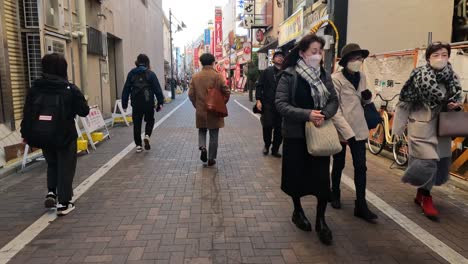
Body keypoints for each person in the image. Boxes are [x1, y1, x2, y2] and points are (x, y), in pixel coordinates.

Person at [275, 34, 339, 245]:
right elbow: (281, 105)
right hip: (295, 136)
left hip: (319, 135)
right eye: (314, 51)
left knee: (322, 180)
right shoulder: (289, 75)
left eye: (320, 52)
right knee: (296, 178)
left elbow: (333, 100)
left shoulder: (323, 75)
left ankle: (321, 220)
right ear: (302, 53)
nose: (318, 56)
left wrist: (324, 115)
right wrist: (308, 114)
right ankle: (298, 211)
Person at [393, 42, 463, 218]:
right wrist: (398, 128)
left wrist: (455, 105)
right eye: (436, 55)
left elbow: (457, 100)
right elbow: (404, 103)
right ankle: (426, 198)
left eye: (444, 55)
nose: (440, 58)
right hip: (421, 127)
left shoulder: (452, 78)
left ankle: (421, 193)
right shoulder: (418, 76)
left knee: (438, 163)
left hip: (442, 128)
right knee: (427, 162)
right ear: (428, 58)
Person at [21, 53, 89, 216]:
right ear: (63, 68)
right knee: (65, 167)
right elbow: (84, 111)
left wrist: (26, 134)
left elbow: (27, 113)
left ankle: (51, 192)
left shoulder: (35, 88)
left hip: (43, 134)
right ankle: (64, 203)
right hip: (65, 135)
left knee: (52, 164)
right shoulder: (69, 88)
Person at [329, 43, 378, 222]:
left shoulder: (362, 77)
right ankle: (335, 193)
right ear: (346, 61)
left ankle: (361, 204)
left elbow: (363, 103)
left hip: (359, 128)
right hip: (341, 130)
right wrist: (346, 132)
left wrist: (367, 99)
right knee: (339, 163)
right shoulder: (335, 79)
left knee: (361, 167)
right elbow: (335, 109)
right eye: (354, 58)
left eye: (360, 58)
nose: (358, 62)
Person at [189, 53, 230, 167]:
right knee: (214, 134)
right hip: (214, 110)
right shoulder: (218, 76)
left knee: (202, 130)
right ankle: (211, 158)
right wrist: (221, 103)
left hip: (201, 110)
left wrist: (196, 105)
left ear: (201, 63)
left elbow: (191, 94)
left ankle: (202, 147)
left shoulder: (195, 77)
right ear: (213, 62)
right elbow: (226, 91)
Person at [122, 54, 165, 153]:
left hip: (136, 103)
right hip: (148, 102)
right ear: (147, 62)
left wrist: (124, 104)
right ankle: (147, 135)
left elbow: (126, 89)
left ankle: (138, 145)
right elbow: (157, 89)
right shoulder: (150, 74)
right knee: (150, 120)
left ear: (137, 62)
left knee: (137, 123)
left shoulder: (131, 73)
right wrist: (160, 102)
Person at [256, 49, 285, 157]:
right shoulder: (267, 71)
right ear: (273, 59)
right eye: (278, 56)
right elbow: (259, 86)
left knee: (280, 128)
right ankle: (267, 145)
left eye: (282, 56)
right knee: (267, 126)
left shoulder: (286, 72)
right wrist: (258, 100)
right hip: (268, 104)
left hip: (282, 105)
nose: (280, 58)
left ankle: (275, 149)